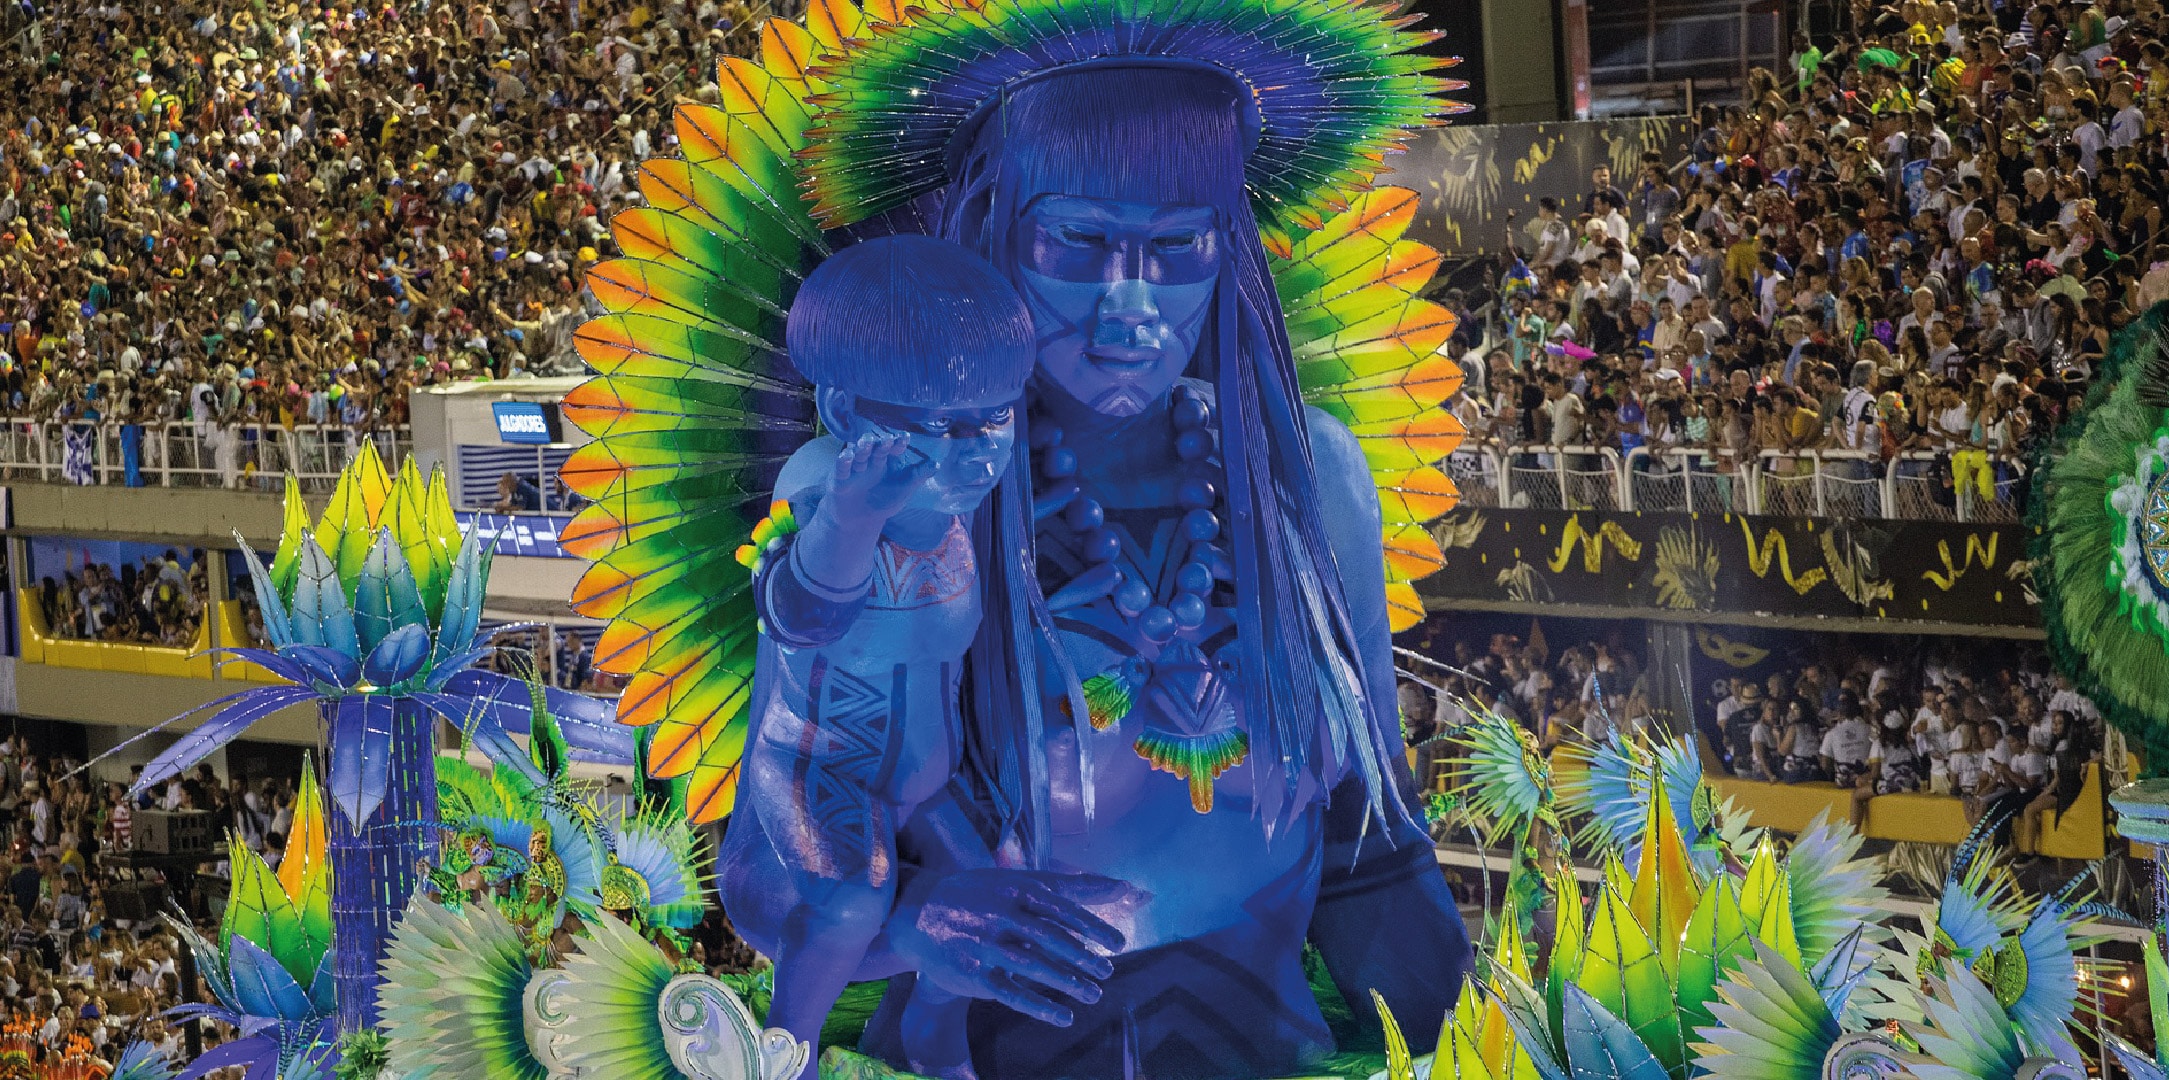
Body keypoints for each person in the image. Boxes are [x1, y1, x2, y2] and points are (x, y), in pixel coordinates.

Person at [717, 40, 1473, 1079]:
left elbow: (1373, 858)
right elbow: (768, 869)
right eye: (1078, 240)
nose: (1132, 307)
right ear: (996, 232)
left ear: (1230, 253)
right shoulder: (894, 488)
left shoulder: (1313, 481)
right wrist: (912, 923)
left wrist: (1497, 1047)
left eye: (1177, 247)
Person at [736, 235, 1039, 1078]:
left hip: (927, 782)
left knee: (998, 891)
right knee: (849, 899)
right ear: (841, 413)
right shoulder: (819, 482)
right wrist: (847, 520)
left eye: (993, 420)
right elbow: (798, 614)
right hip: (818, 767)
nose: (974, 452)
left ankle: (933, 1027)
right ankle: (784, 1045)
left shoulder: (953, 505)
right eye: (934, 427)